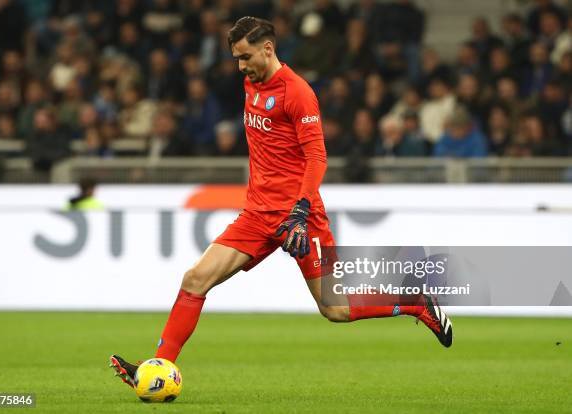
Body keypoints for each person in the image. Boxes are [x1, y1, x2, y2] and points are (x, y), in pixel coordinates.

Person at [109, 16, 453, 389]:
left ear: (267, 49)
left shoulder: (297, 92)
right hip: (257, 214)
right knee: (195, 279)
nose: (240, 66)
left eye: (245, 57)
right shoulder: (250, 82)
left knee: (336, 309)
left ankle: (417, 302)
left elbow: (317, 157)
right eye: (236, 59)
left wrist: (301, 211)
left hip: (298, 217)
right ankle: (158, 367)